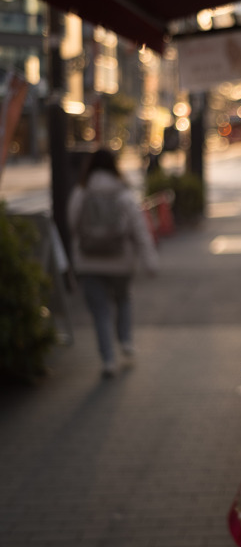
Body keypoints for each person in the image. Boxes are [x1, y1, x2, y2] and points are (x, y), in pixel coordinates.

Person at [67, 147, 159, 378]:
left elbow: (71, 223)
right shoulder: (123, 193)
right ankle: (126, 340)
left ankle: (108, 360)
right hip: (121, 261)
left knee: (100, 312)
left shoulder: (82, 192)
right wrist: (150, 261)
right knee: (123, 299)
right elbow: (140, 229)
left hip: (88, 262)